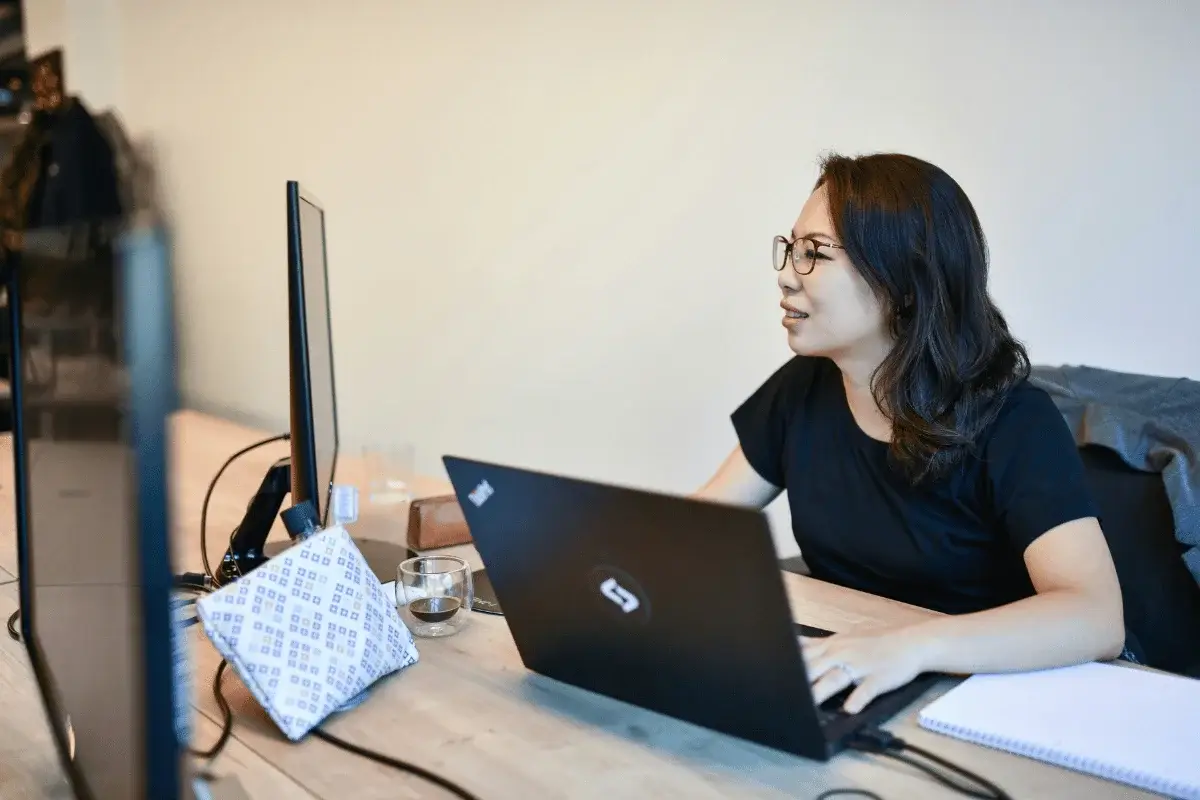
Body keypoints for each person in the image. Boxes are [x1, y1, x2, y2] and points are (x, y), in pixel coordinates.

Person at [696, 152, 1125, 715]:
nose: (786, 275)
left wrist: (911, 647)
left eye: (814, 254)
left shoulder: (1015, 421)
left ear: (903, 283)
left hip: (983, 692)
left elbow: (1096, 616)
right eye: (791, 248)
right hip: (858, 668)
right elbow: (698, 528)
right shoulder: (804, 387)